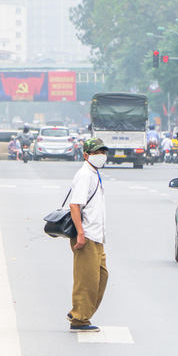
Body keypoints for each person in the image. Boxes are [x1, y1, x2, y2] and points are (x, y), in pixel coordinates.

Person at [67, 137, 108, 333]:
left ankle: (77, 311)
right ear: (86, 155)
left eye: (103, 152)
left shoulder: (94, 174)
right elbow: (75, 205)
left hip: (96, 236)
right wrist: (81, 233)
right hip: (87, 235)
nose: (101, 156)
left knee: (100, 276)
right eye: (96, 153)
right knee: (87, 280)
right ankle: (79, 320)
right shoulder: (85, 175)